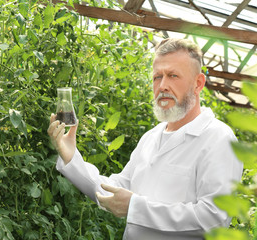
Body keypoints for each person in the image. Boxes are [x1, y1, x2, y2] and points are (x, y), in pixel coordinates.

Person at [47, 38, 243, 240]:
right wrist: (72, 157)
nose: (163, 86)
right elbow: (113, 191)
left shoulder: (218, 138)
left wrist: (136, 207)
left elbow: (214, 219)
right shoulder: (151, 138)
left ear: (198, 83)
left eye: (173, 75)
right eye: (157, 77)